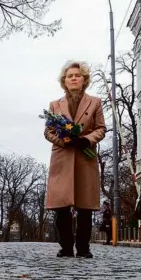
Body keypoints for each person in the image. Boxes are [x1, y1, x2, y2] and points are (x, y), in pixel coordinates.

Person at [45, 61, 106, 258]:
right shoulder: (55, 105)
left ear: (84, 80)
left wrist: (86, 140)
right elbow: (48, 131)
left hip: (84, 156)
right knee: (61, 206)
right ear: (64, 80)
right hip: (62, 157)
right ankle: (65, 247)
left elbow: (101, 128)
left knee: (85, 206)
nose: (73, 78)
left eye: (77, 75)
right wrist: (63, 141)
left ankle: (83, 248)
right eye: (69, 76)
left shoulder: (95, 102)